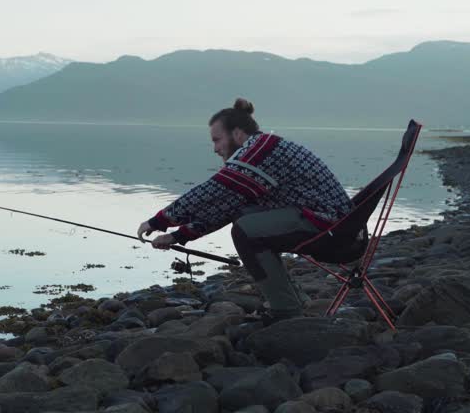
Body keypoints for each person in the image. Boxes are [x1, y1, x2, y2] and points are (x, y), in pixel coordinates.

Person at [137, 98, 352, 322]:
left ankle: (286, 310)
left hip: (334, 230)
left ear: (238, 134)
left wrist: (158, 221)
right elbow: (226, 207)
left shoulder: (260, 151)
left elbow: (212, 190)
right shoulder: (264, 148)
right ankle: (294, 300)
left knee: (246, 232)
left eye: (217, 140)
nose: (215, 149)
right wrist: (177, 235)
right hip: (334, 225)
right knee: (245, 216)